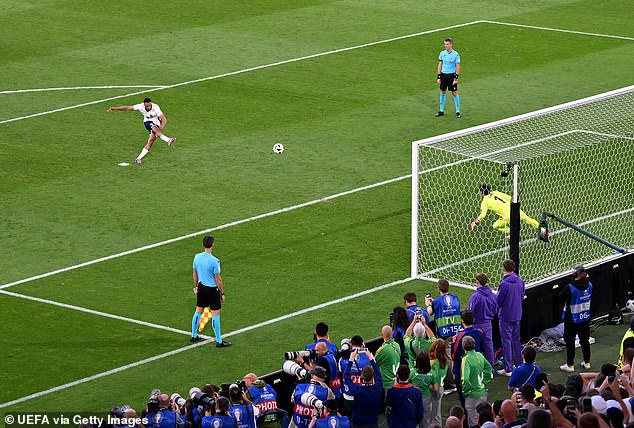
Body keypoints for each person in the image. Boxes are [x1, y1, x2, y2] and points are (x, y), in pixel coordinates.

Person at [107, 97, 176, 165]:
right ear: (144, 104)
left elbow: (164, 119)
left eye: (149, 105)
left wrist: (161, 127)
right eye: (147, 106)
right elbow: (127, 107)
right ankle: (168, 140)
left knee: (150, 142)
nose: (148, 107)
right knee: (154, 128)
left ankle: (138, 158)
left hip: (157, 124)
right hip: (147, 122)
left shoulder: (156, 107)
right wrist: (114, 108)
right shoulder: (140, 106)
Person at [190, 236, 231, 347]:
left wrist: (196, 287)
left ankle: (193, 335)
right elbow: (218, 279)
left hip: (201, 287)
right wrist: (222, 293)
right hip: (212, 290)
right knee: (215, 313)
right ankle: (219, 341)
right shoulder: (214, 261)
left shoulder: (197, 257)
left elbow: (195, 274)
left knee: (198, 310)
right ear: (212, 245)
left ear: (203, 244)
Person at [469, 184, 540, 236]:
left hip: (508, 217)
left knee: (495, 225)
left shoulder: (485, 202)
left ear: (481, 192)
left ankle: (511, 232)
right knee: (528, 219)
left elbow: (483, 214)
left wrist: (475, 223)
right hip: (514, 209)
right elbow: (509, 198)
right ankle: (543, 230)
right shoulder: (496, 192)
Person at [560, 265, 593, 372]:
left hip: (572, 319)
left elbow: (560, 297)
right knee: (585, 341)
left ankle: (570, 365)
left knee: (570, 342)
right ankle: (587, 362)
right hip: (585, 318)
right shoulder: (590, 286)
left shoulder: (570, 287)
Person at [496, 259, 525, 376]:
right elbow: (522, 295)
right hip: (517, 314)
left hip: (506, 316)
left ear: (504, 268)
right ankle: (519, 364)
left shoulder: (504, 284)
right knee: (516, 340)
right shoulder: (520, 281)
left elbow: (499, 300)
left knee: (506, 342)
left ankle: (508, 368)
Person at [451, 310, 485, 407]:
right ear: (473, 320)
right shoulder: (480, 332)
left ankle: (467, 418)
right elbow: (483, 348)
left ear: (462, 321)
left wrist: (453, 343)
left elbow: (454, 356)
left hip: (462, 370)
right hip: (478, 367)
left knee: (465, 400)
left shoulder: (460, 336)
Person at [342, 349, 382, 428]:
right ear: (372, 376)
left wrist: (351, 360)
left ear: (361, 376)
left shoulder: (357, 390)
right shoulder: (377, 389)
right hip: (372, 422)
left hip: (358, 423)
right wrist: (371, 358)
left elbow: (346, 375)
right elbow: (378, 374)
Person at [461, 336, 493, 427]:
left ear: (463, 347)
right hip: (482, 391)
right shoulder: (479, 355)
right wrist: (484, 382)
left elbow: (465, 379)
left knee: (474, 422)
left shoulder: (465, 359)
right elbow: (489, 368)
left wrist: (465, 391)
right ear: (474, 345)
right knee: (483, 419)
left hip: (472, 395)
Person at [468, 273, 498, 365]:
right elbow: (496, 308)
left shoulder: (475, 297)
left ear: (477, 282)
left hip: (477, 324)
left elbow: (470, 312)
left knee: (476, 347)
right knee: (489, 346)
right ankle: (490, 368)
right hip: (488, 324)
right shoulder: (493, 295)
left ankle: (478, 367)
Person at [340, 336, 372, 417]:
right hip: (363, 395)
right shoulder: (369, 357)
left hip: (348, 396)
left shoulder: (343, 358)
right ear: (362, 345)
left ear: (351, 345)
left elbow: (340, 370)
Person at [435, 38, 461, 118]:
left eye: (447, 44)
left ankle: (457, 111)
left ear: (451, 45)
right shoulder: (442, 53)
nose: (445, 46)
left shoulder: (456, 54)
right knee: (443, 91)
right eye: (445, 44)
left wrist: (456, 78)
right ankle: (441, 110)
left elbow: (458, 66)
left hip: (451, 76)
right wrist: (439, 76)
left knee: (454, 92)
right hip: (443, 75)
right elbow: (440, 64)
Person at [409, 349, 433, 428]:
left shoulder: (412, 373)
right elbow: (436, 388)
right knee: (426, 420)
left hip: (414, 399)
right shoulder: (432, 373)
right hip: (426, 398)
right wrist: (427, 385)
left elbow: (407, 384)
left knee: (414, 420)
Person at [428, 339, 449, 426]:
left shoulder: (433, 363)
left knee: (431, 415)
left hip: (433, 389)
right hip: (441, 388)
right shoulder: (445, 362)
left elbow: (431, 378)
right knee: (437, 414)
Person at [374, 326, 401, 391]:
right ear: (393, 333)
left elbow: (374, 363)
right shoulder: (397, 345)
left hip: (386, 384)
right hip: (396, 382)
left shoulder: (382, 350)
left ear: (382, 335)